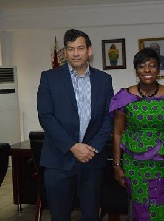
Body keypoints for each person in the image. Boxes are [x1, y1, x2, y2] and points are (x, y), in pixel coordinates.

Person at [37, 29, 113, 221]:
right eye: (71, 49)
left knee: (91, 215)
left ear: (90, 50)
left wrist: (92, 147)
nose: (76, 53)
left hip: (92, 160)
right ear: (65, 52)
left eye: (80, 48)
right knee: (60, 216)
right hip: (58, 161)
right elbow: (46, 116)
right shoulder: (49, 78)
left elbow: (108, 117)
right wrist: (72, 146)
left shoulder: (104, 80)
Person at [109, 47, 164, 220]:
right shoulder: (124, 97)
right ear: (136, 70)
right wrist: (116, 165)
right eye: (142, 66)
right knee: (139, 204)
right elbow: (117, 133)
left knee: (162, 202)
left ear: (158, 69)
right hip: (134, 164)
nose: (147, 70)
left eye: (152, 66)